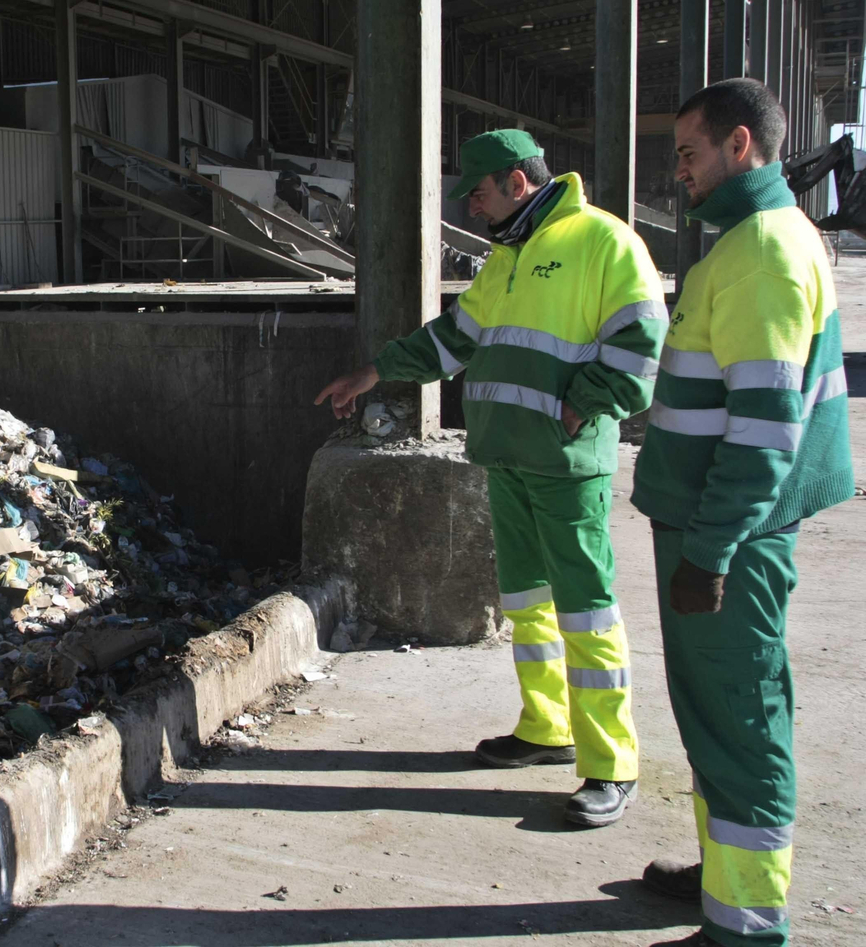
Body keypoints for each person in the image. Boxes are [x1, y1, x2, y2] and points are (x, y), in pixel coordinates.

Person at [315, 129, 666, 827]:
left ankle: (611, 764)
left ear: (514, 181)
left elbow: (643, 338)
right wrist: (376, 370)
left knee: (586, 612)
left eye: (476, 192)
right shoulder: (506, 259)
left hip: (566, 465)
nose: (472, 208)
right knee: (529, 606)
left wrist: (583, 406)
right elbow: (453, 339)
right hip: (505, 459)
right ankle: (546, 728)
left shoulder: (603, 241)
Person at [633, 78, 852, 947]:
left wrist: (712, 551)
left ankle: (747, 925)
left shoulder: (762, 253)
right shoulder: (752, 241)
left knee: (742, 713)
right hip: (714, 525)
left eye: (689, 153)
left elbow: (764, 430)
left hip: (728, 534)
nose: (678, 171)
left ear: (741, 148)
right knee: (718, 710)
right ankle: (722, 875)